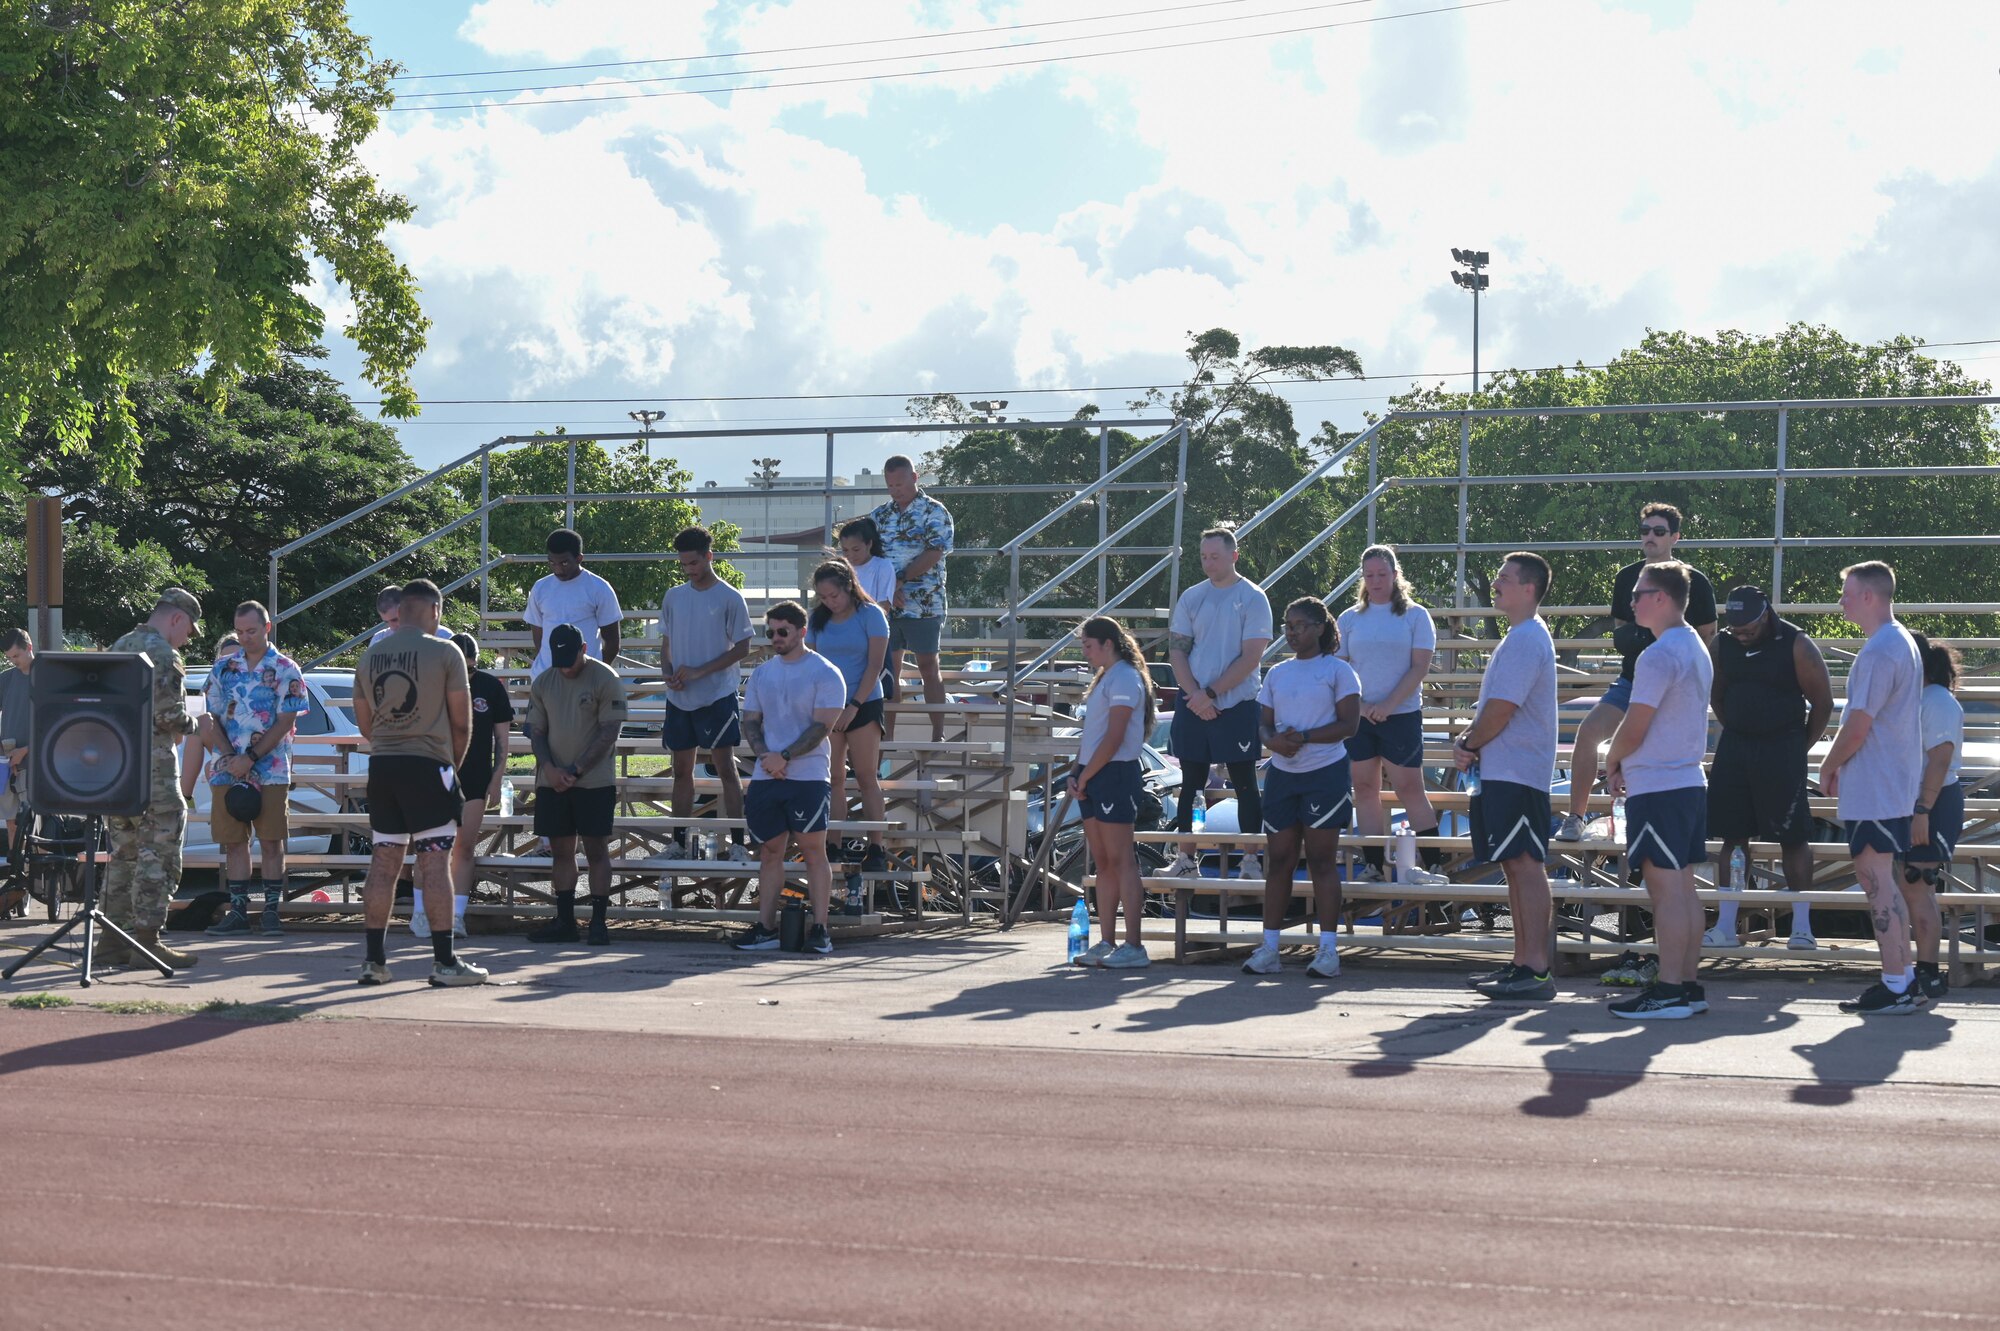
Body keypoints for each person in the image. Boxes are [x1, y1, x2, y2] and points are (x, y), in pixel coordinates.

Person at [351, 579, 486, 987]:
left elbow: (365, 724)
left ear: (401, 610)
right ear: (435, 610)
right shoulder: (446, 652)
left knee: (385, 860)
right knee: (434, 861)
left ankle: (374, 962)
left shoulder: (371, 655)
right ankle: (444, 962)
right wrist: (451, 766)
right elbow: (462, 722)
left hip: (384, 766)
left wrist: (391, 742)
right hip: (429, 766)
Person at [1557, 503, 1716, 841]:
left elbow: (1707, 633)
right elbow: (1621, 632)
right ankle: (1575, 816)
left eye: (1658, 531)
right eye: (1645, 530)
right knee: (1587, 733)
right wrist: (1641, 637)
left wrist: (1664, 645)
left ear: (1675, 536)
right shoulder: (1627, 577)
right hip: (1634, 679)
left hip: (1674, 687)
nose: (1650, 537)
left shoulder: (1694, 582)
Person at [1601, 560, 1715, 1020]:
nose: (1631, 602)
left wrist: (1612, 758)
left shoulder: (1659, 653)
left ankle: (1670, 989)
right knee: (1683, 891)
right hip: (1685, 781)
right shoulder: (1695, 646)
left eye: (1639, 594)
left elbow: (1636, 722)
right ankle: (1686, 986)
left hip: (1662, 783)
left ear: (1662, 598)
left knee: (1667, 893)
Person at [1821, 561, 1926, 1016]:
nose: (1841, 599)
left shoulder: (1881, 649)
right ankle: (1902, 980)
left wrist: (1829, 762)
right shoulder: (1899, 641)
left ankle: (1896, 983)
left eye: (1846, 591)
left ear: (1868, 595)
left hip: (1877, 785)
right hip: (1890, 783)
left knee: (1876, 883)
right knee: (1885, 882)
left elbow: (1859, 724)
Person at [1455, 554, 1561, 1001]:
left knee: (1524, 865)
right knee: (1513, 866)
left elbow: (1501, 710)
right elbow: (1494, 709)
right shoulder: (1519, 637)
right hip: (1507, 771)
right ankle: (1522, 964)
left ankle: (1536, 969)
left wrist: (1469, 743)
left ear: (1529, 589)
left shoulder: (1525, 639)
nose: (1495, 582)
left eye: (1504, 577)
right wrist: (1472, 738)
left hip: (1517, 772)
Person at [1705, 585, 1834, 950]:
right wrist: (1738, 728)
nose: (1741, 635)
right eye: (1736, 629)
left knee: (1793, 837)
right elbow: (1717, 694)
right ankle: (1727, 925)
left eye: (1748, 628)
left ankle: (1803, 928)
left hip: (1783, 746)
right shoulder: (1722, 643)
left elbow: (1823, 703)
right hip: (1736, 746)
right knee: (1733, 836)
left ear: (1765, 615)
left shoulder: (1797, 643)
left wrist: (1796, 747)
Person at [1241, 598, 1360, 980]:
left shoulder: (1339, 671)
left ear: (1320, 628)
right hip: (1282, 775)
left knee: (1323, 862)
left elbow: (1349, 725)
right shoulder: (1277, 673)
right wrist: (1272, 742)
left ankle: (1328, 950)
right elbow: (1262, 725)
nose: (1292, 632)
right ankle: (1270, 948)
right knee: (1279, 862)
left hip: (1324, 774)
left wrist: (1304, 737)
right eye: (1287, 626)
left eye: (1300, 625)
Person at [732, 602, 849, 956]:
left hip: (808, 776)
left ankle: (820, 929)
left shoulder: (826, 673)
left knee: (814, 852)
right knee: (769, 852)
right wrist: (767, 756)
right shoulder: (763, 673)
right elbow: (750, 720)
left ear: (802, 631)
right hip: (768, 776)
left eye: (782, 631)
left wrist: (783, 757)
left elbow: (822, 727)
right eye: (770, 632)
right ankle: (765, 928)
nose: (776, 638)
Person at [95, 589, 203, 971]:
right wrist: (196, 722)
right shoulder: (163, 653)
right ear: (176, 618)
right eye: (189, 629)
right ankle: (147, 942)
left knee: (122, 855)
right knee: (161, 853)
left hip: (116, 770)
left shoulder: (118, 646)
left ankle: (111, 943)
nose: (187, 639)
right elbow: (169, 717)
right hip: (155, 772)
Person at [1162, 527, 1273, 883]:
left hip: (1236, 704)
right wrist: (1195, 696)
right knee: (1191, 783)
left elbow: (1251, 656)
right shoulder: (1192, 597)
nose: (1209, 562)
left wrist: (1210, 694)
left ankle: (1251, 860)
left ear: (1233, 556)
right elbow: (1177, 651)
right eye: (1204, 556)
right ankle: (1185, 857)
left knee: (1244, 783)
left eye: (1216, 556)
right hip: (1193, 704)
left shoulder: (1253, 597)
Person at [1336, 545, 1448, 887]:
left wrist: (1387, 704)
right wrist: (1361, 705)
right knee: (1365, 788)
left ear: (1395, 575)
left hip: (1400, 714)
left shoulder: (1416, 616)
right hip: (1360, 716)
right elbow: (1340, 666)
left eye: (1382, 574)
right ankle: (1372, 864)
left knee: (1409, 788)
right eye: (1369, 575)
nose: (1375, 581)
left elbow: (1420, 667)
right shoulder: (1350, 618)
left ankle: (1433, 864)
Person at [199, 602, 309, 937]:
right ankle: (238, 911)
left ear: (267, 627)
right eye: (240, 631)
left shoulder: (286, 669)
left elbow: (285, 720)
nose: (245, 637)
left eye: (252, 630)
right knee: (234, 842)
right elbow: (211, 717)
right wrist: (233, 758)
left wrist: (251, 756)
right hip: (228, 768)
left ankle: (273, 910)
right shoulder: (223, 668)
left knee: (272, 839)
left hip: (271, 767)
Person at [524, 624, 629, 946]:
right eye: (560, 660)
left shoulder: (605, 678)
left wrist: (576, 769)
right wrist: (552, 769)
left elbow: (609, 730)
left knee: (597, 850)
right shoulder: (544, 681)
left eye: (570, 658)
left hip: (594, 782)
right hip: (552, 782)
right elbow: (535, 732)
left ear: (584, 648)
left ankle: (599, 921)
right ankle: (565, 920)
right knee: (560, 851)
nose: (566, 666)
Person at [1067, 616, 1157, 970]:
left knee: (1123, 861)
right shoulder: (1105, 677)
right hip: (1094, 776)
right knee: (1103, 862)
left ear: (1108, 644)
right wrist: (1076, 773)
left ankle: (1134, 945)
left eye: (1089, 645)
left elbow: (1116, 736)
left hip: (1116, 774)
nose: (1086, 653)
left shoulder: (1125, 677)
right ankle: (1107, 941)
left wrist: (1087, 775)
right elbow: (1093, 736)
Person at [658, 526, 752, 862]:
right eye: (684, 564)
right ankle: (678, 842)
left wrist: (701, 671)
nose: (689, 569)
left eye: (694, 562)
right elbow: (665, 642)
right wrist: (668, 673)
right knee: (681, 770)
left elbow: (744, 646)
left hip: (717, 695)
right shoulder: (674, 596)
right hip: (679, 698)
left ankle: (738, 842)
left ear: (709, 556)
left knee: (725, 767)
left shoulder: (730, 597)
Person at [422, 632, 513, 942]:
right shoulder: (431, 686)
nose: (467, 674)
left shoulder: (490, 687)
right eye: (461, 668)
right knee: (431, 849)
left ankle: (457, 917)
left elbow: (502, 740)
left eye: (471, 668)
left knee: (464, 847)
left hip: (474, 777)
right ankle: (424, 914)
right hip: (435, 775)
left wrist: (497, 778)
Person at [806, 559, 891, 875]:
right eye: (824, 597)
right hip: (829, 705)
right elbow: (812, 664)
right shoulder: (817, 619)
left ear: (848, 587)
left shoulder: (872, 615)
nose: (830, 602)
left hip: (864, 701)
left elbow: (874, 665)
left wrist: (853, 705)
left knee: (867, 775)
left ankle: (876, 846)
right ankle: (832, 843)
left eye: (834, 595)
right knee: (834, 779)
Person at [869, 455, 954, 743]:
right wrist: (888, 589)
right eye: (890, 485)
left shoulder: (934, 512)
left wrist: (900, 580)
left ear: (914, 478)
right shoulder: (879, 516)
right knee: (889, 669)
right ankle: (887, 735)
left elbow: (935, 552)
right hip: (885, 604)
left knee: (929, 665)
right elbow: (869, 557)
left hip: (925, 601)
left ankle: (937, 733)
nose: (895, 490)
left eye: (900, 483)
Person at [1903, 634, 1963, 1004]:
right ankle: (1910, 971)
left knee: (1917, 886)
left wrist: (1922, 810)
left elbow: (1940, 761)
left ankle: (1928, 973)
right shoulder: (1915, 699)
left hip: (1932, 802)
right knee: (1906, 890)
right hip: (1912, 802)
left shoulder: (1938, 700)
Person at [524, 527, 624, 677]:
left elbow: (612, 641)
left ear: (579, 558)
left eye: (564, 563)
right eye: (552, 563)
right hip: (546, 675)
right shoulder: (540, 587)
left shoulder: (599, 588)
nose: (558, 569)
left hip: (586, 677)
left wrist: (595, 672)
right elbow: (538, 635)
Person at [182, 632, 241, 804]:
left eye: (235, 658)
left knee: (212, 767)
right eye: (224, 659)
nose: (230, 663)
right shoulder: (217, 683)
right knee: (199, 723)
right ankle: (185, 798)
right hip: (227, 746)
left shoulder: (254, 679)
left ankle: (186, 798)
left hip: (251, 746)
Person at [0, 627, 34, 859]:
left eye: (16, 656)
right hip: (8, 763)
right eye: (9, 658)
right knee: (12, 823)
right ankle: (17, 882)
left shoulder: (49, 676)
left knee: (37, 824)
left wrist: (26, 750)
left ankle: (40, 880)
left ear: (29, 648)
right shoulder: (7, 679)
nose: (13, 661)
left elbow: (57, 725)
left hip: (35, 764)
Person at [839, 516, 899, 607]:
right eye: (845, 550)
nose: (850, 555)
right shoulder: (840, 568)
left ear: (869, 544)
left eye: (856, 550)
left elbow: (884, 606)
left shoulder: (883, 566)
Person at [370, 584, 454, 643]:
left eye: (395, 620)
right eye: (386, 622)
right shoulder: (379, 639)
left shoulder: (444, 637)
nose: (392, 627)